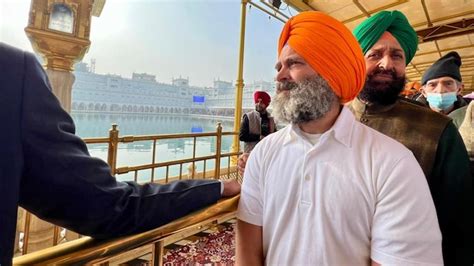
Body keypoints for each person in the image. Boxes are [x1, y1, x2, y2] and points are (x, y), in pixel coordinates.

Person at [0, 43, 241, 265]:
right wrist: (214, 188)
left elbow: (105, 204)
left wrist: (213, 189)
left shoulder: (11, 70)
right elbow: (106, 204)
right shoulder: (11, 71)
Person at [236, 11, 442, 265]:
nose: (279, 76)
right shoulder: (264, 153)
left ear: (331, 72)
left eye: (294, 63)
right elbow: (248, 249)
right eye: (279, 67)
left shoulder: (393, 163)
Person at [352, 10, 472, 265]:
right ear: (355, 60)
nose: (387, 64)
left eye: (396, 55)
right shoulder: (331, 119)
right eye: (375, 54)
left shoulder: (437, 129)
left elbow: (457, 224)